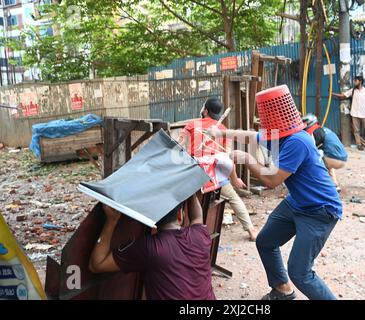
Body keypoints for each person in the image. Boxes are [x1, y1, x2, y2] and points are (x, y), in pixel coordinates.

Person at [209, 85, 342, 300]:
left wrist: (246, 159)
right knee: (266, 241)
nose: (262, 122)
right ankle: (282, 290)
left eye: (265, 117)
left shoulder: (297, 141)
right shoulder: (278, 133)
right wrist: (221, 132)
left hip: (320, 210)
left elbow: (271, 180)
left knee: (301, 273)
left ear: (275, 116)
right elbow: (251, 136)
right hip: (298, 202)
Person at [88, 194, 216, 300]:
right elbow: (197, 217)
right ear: (180, 215)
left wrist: (111, 221)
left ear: (152, 220)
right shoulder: (200, 234)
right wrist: (191, 191)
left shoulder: (149, 247)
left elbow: (97, 265)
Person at [178, 97, 258, 241]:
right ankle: (251, 231)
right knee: (234, 198)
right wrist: (234, 178)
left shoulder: (192, 125)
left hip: (194, 175)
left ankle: (183, 234)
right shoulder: (223, 130)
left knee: (183, 201)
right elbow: (227, 157)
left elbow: (177, 145)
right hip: (216, 177)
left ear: (205, 110)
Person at [302, 114, 348, 191]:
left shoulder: (315, 132)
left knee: (312, 158)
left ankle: (318, 185)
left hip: (333, 159)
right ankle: (334, 184)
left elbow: (310, 149)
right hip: (343, 158)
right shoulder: (324, 129)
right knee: (324, 157)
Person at [333, 75, 365, 151]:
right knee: (356, 131)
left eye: (356, 81)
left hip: (364, 113)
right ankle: (359, 144)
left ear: (360, 82)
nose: (354, 82)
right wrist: (333, 94)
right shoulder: (353, 90)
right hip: (354, 114)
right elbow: (343, 95)